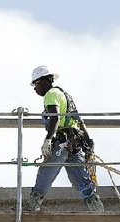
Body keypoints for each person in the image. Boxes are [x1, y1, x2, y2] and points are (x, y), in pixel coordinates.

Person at [26, 65, 104, 212]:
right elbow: (79, 121)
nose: (35, 90)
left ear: (43, 81)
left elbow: (55, 119)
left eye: (35, 85)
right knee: (80, 178)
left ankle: (33, 205)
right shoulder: (65, 95)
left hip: (63, 141)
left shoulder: (51, 95)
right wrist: (88, 141)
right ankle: (97, 209)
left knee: (47, 171)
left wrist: (48, 140)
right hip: (75, 143)